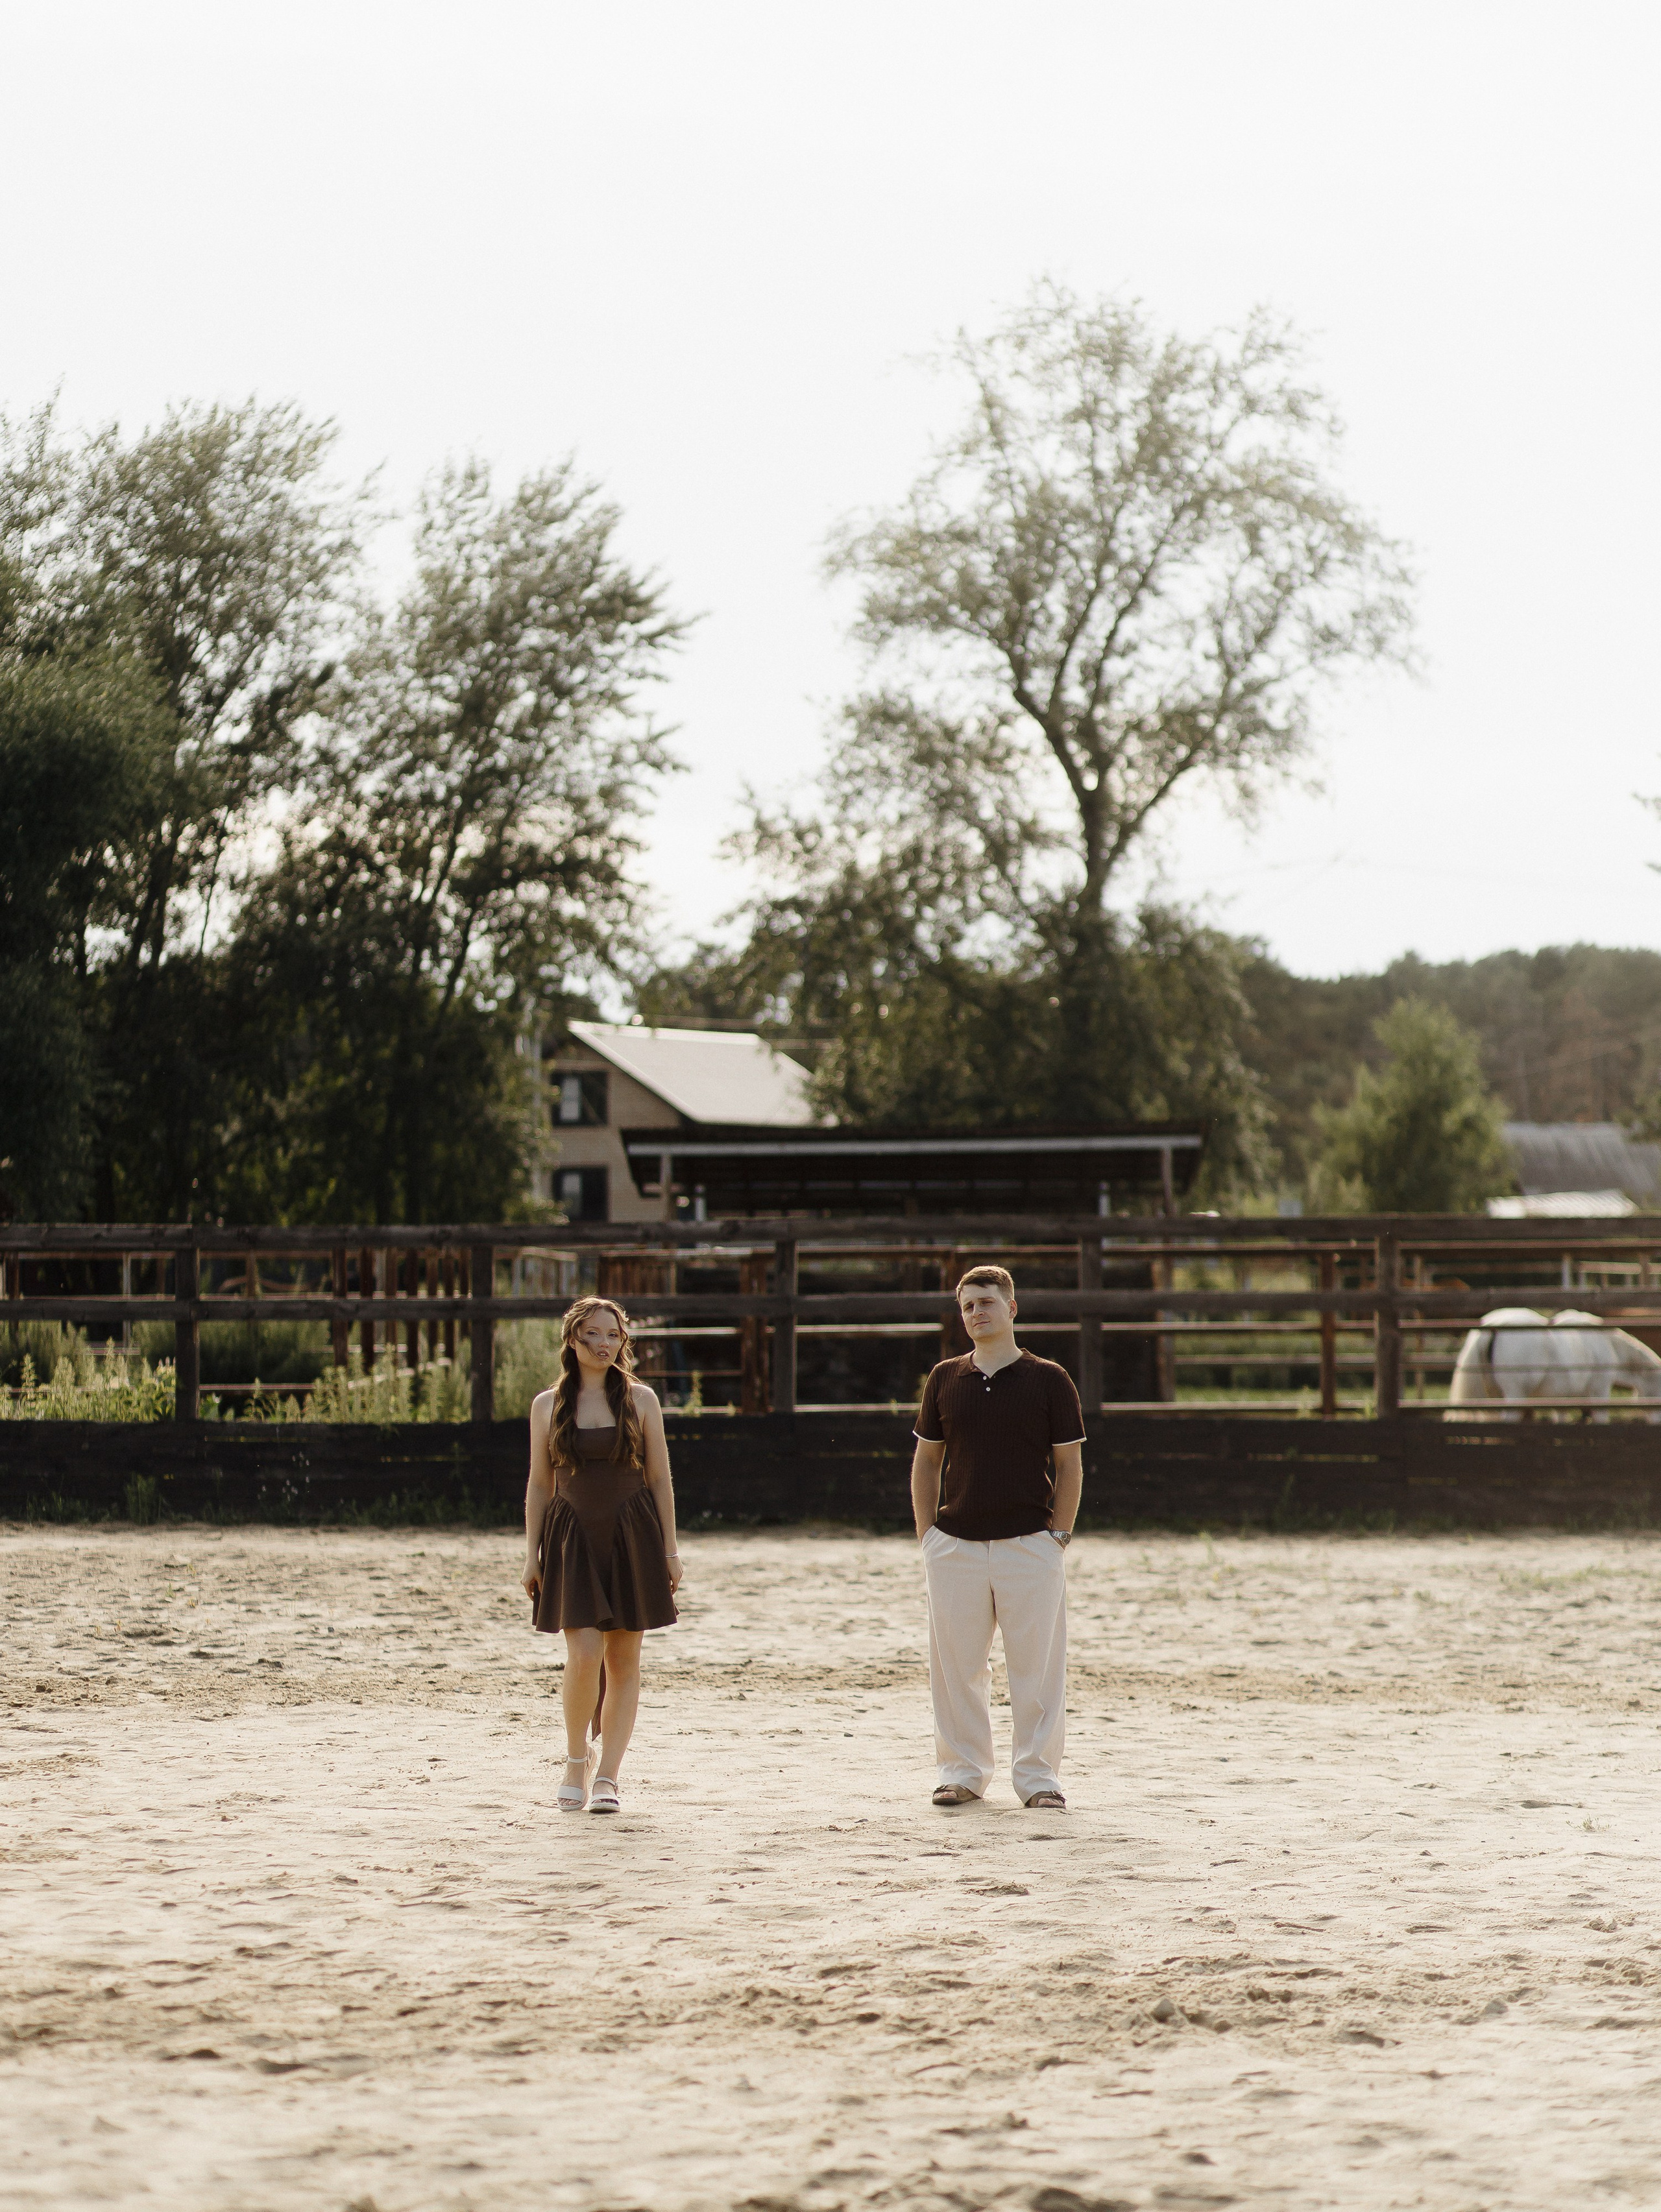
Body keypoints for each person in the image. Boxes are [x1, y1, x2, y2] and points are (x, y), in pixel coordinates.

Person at [910, 1266, 1085, 1812]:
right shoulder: (944, 1378)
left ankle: (1038, 1779)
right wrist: (928, 1538)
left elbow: (1070, 1464)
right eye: (967, 1307)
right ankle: (961, 1773)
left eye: (986, 1302)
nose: (976, 1313)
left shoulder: (1049, 1378)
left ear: (1012, 1308)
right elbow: (925, 1462)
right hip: (955, 1545)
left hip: (1029, 1544)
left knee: (1036, 1668)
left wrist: (1057, 1535)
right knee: (957, 1667)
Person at [522, 1296, 683, 1814]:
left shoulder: (643, 1400)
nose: (604, 1343)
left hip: (633, 1534)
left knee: (624, 1658)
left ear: (623, 1341)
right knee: (584, 1654)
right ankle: (576, 1760)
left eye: (613, 1335)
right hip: (571, 1536)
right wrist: (532, 1555)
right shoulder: (547, 1405)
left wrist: (670, 1550)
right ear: (572, 1339)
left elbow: (660, 1478)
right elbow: (540, 1484)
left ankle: (609, 1776)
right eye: (592, 1333)